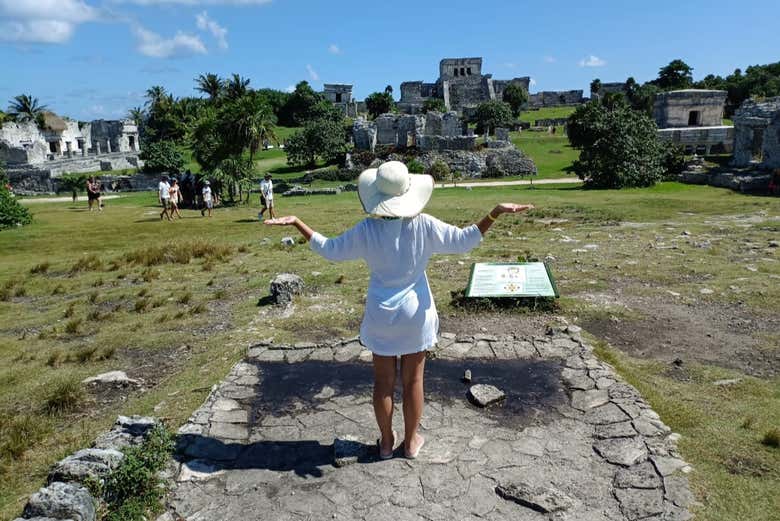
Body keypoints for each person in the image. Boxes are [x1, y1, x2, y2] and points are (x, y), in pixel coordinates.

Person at [265, 161, 533, 460]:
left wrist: (298, 222)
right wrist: (494, 213)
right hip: (415, 315)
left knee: (383, 383)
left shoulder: (367, 229)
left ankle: (385, 443)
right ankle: (410, 442)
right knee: (414, 381)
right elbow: (464, 240)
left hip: (382, 315)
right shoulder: (423, 225)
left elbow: (330, 250)